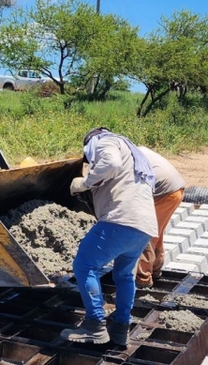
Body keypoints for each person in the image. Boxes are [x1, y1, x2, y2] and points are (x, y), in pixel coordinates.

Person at [62, 128, 157, 346]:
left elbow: (110, 163)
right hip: (144, 226)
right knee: (124, 275)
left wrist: (85, 182)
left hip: (120, 219)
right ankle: (120, 328)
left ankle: (95, 325)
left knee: (84, 265)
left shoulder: (104, 141)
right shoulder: (132, 154)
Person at [135, 146, 186, 288]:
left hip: (164, 192)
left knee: (144, 234)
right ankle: (155, 269)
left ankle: (143, 278)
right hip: (176, 189)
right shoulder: (136, 150)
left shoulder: (124, 157)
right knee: (156, 232)